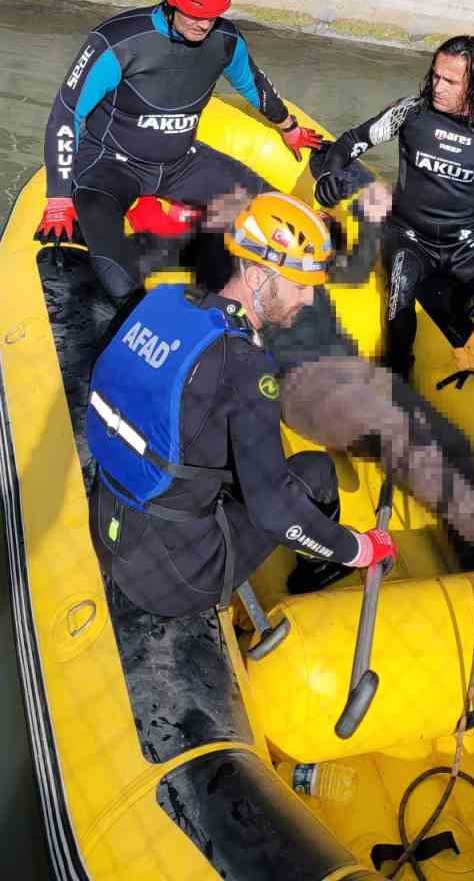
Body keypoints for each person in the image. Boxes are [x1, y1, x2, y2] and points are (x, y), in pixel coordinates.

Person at [87, 191, 397, 618]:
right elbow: (274, 510)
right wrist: (360, 548)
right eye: (299, 286)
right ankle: (319, 571)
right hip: (180, 577)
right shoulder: (247, 368)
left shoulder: (165, 301)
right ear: (255, 276)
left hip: (110, 525)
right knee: (316, 472)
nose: (308, 301)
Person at [34, 0, 322, 302]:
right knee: (117, 274)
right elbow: (67, 112)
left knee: (275, 212)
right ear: (170, 1)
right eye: (195, 14)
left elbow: (253, 85)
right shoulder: (119, 41)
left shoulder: (225, 40)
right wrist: (59, 196)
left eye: (213, 16)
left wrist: (289, 128)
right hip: (110, 165)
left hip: (182, 162)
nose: (204, 24)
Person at [311, 34, 474, 379]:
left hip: (464, 241)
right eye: (435, 76)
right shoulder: (411, 112)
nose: (437, 86)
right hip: (407, 236)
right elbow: (352, 141)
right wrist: (329, 175)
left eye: (450, 81)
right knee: (399, 300)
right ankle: (398, 382)